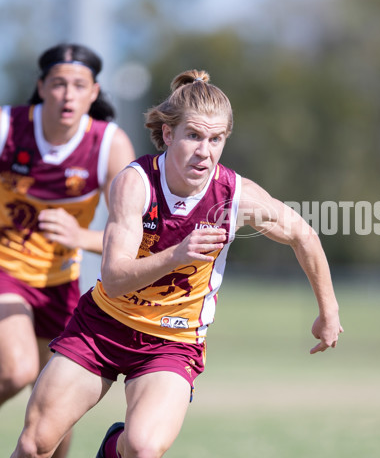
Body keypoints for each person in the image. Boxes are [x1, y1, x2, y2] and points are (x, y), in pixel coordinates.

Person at [10, 69, 343, 458]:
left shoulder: (235, 196)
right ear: (169, 135)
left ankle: (112, 450)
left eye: (216, 139)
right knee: (35, 445)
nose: (205, 150)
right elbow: (114, 278)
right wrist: (179, 253)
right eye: (194, 136)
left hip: (172, 341)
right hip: (102, 327)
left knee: (143, 447)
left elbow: (304, 235)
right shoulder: (136, 183)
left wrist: (329, 310)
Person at [0, 43, 136, 458]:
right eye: (58, 84)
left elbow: (131, 235)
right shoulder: (8, 127)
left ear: (94, 92)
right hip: (6, 270)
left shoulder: (109, 144)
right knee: (18, 369)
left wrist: (80, 238)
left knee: (54, 413)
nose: (68, 94)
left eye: (79, 85)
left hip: (61, 284)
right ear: (41, 87)